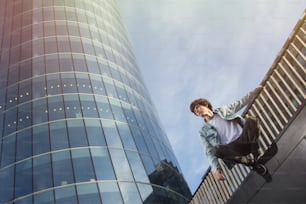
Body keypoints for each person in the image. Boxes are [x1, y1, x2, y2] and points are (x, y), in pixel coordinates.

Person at [190, 86, 265, 181]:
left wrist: (256, 90)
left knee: (251, 120)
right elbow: (208, 152)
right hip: (232, 149)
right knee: (216, 150)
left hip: (245, 138)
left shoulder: (223, 110)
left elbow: (241, 103)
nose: (196, 111)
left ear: (205, 105)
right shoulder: (203, 132)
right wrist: (216, 169)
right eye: (195, 112)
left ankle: (256, 153)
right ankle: (251, 163)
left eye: (197, 107)